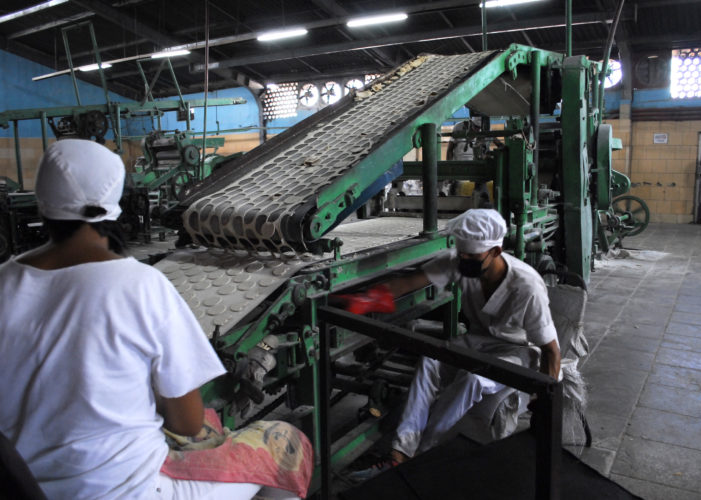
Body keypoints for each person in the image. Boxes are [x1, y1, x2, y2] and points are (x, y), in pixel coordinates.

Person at [0, 139, 310, 499]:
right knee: (286, 444)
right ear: (115, 201)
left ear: (42, 201)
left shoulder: (4, 281)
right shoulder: (139, 285)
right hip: (130, 490)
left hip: (26, 487)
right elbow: (187, 423)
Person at [351, 209, 560, 478]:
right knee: (430, 360)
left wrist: (545, 399)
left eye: (472, 256)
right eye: (462, 254)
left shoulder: (526, 286)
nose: (464, 260)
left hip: (517, 351)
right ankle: (400, 452)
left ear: (496, 251)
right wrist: (368, 298)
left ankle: (423, 455)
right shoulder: (460, 261)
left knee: (472, 380)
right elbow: (410, 282)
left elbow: (551, 350)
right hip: (476, 341)